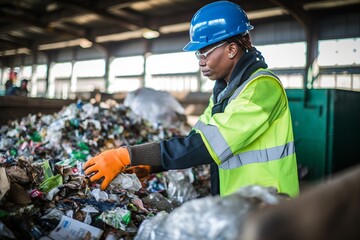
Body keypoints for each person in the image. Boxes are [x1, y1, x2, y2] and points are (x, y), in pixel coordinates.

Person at [83, 1, 299, 197]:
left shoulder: (262, 88)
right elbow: (195, 139)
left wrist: (127, 155)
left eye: (204, 52)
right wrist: (153, 166)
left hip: (271, 204)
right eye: (198, 55)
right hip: (242, 202)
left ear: (232, 49)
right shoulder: (225, 92)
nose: (201, 62)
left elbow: (205, 146)